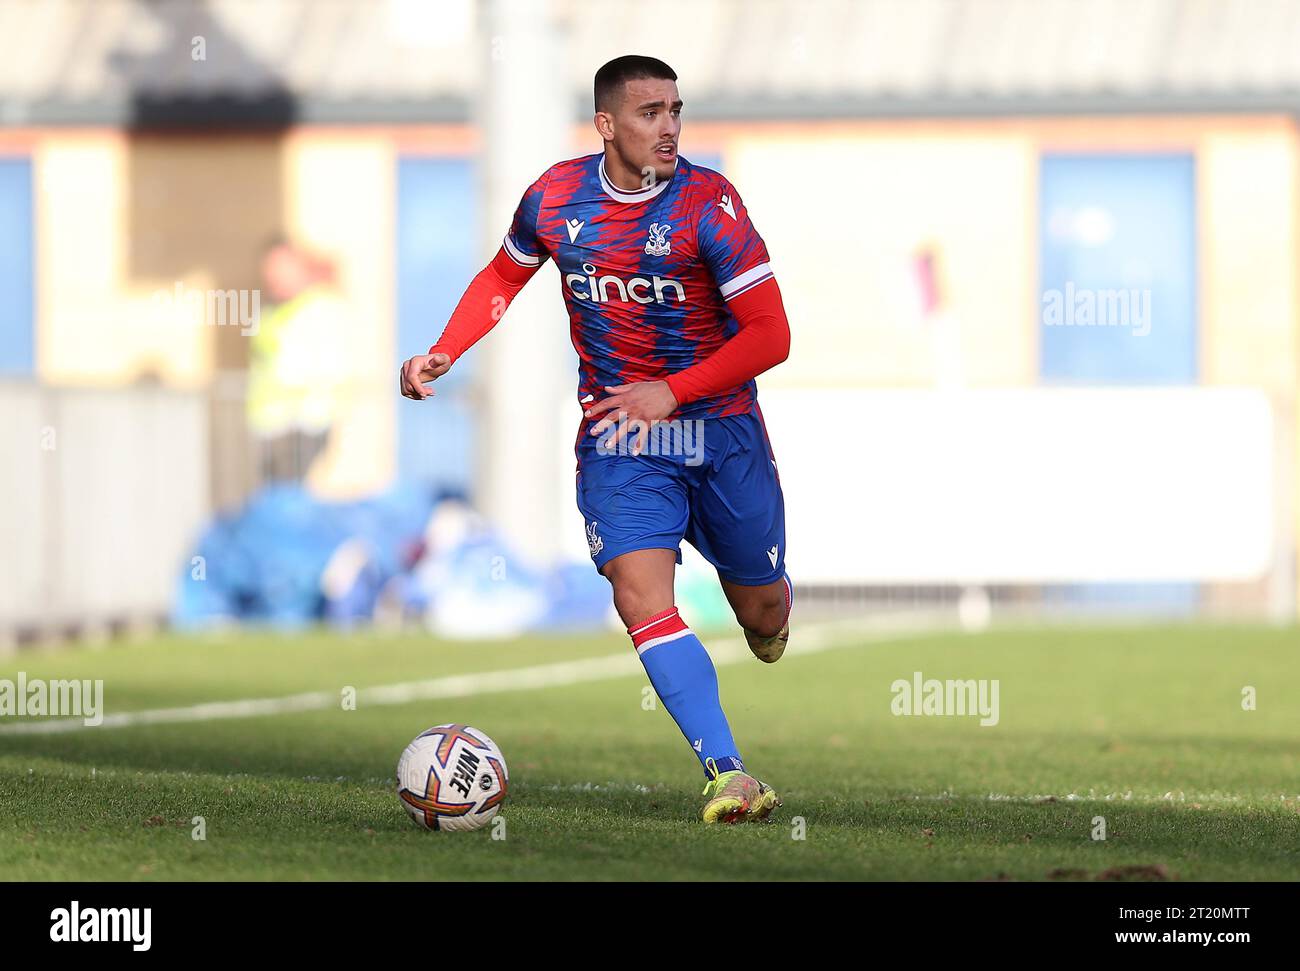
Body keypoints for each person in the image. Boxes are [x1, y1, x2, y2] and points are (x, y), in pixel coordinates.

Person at [399, 55, 793, 824]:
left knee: (764, 613)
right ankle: (728, 771)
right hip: (621, 436)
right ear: (606, 124)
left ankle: (768, 618)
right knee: (639, 593)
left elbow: (773, 333)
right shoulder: (555, 197)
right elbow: (502, 277)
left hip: (721, 433)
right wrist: (447, 346)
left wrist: (673, 390)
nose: (670, 126)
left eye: (676, 109)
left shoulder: (710, 204)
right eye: (650, 112)